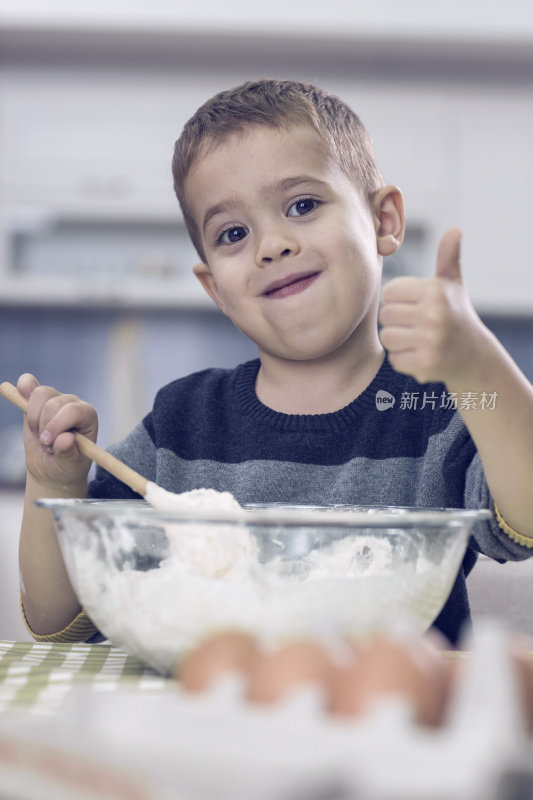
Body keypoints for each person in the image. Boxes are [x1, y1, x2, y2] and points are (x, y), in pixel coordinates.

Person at [16, 79, 533, 647]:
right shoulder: (181, 423)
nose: (271, 245)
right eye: (233, 233)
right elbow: (59, 622)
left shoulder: (431, 408)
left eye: (303, 205)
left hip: (387, 723)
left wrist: (477, 365)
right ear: (216, 288)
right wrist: (55, 483)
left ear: (383, 221)